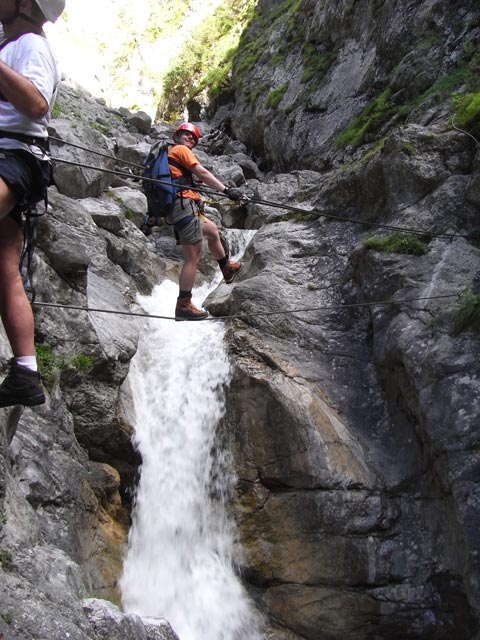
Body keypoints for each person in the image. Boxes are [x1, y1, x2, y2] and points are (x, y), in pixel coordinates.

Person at [0, 0, 64, 408]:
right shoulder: (10, 44)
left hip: (13, 158)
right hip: (13, 159)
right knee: (6, 271)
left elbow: (38, 104)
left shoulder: (32, 45)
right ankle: (25, 371)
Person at [167, 122, 245, 321]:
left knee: (212, 230)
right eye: (186, 134)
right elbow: (202, 172)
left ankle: (226, 268)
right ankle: (183, 304)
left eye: (193, 137)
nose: (190, 138)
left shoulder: (172, 154)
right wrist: (227, 191)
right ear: (177, 136)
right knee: (193, 256)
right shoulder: (181, 150)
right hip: (183, 205)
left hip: (184, 206)